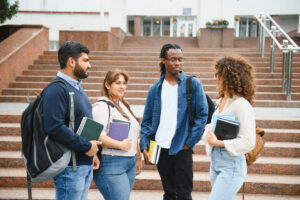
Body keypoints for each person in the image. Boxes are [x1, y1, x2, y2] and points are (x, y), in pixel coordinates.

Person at [140, 43, 208, 200]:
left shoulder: (193, 84)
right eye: (173, 59)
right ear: (163, 60)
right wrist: (144, 145)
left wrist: (189, 142)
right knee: (169, 193)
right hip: (160, 148)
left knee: (184, 194)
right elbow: (147, 120)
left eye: (180, 59)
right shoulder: (155, 89)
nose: (178, 63)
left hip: (181, 148)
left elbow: (202, 115)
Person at [42, 41, 101, 200]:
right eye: (85, 60)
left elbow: (81, 122)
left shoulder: (77, 87)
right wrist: (87, 146)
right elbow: (54, 127)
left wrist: (92, 154)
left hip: (83, 163)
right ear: (71, 61)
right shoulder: (57, 89)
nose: (89, 65)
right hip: (70, 169)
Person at [205, 56, 256, 200]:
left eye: (218, 75)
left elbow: (248, 141)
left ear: (228, 78)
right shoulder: (222, 101)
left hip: (231, 165)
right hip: (216, 162)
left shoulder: (241, 105)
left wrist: (218, 143)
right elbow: (214, 132)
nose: (215, 79)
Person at [92, 70, 142, 200]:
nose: (122, 87)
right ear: (107, 85)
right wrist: (120, 145)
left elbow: (134, 134)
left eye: (124, 83)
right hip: (112, 163)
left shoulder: (124, 105)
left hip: (129, 162)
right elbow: (95, 134)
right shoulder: (101, 106)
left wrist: (138, 157)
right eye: (118, 83)